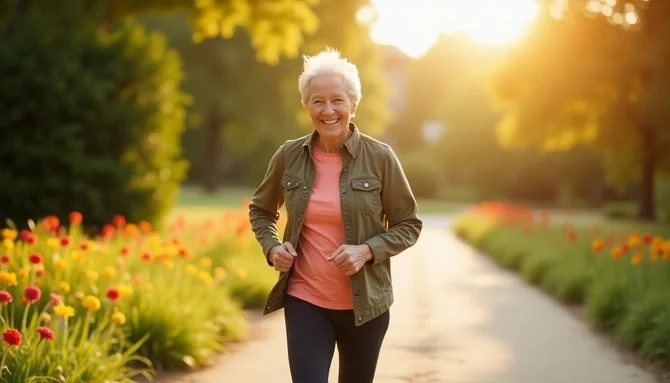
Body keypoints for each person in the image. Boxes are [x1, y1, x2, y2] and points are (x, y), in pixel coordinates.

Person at [248, 47, 422, 383]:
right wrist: (272, 247)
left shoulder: (381, 158)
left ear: (353, 104)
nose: (328, 110)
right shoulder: (289, 155)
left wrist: (366, 250)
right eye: (317, 101)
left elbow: (409, 224)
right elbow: (261, 208)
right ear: (306, 106)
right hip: (305, 301)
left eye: (337, 100)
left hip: (366, 307)